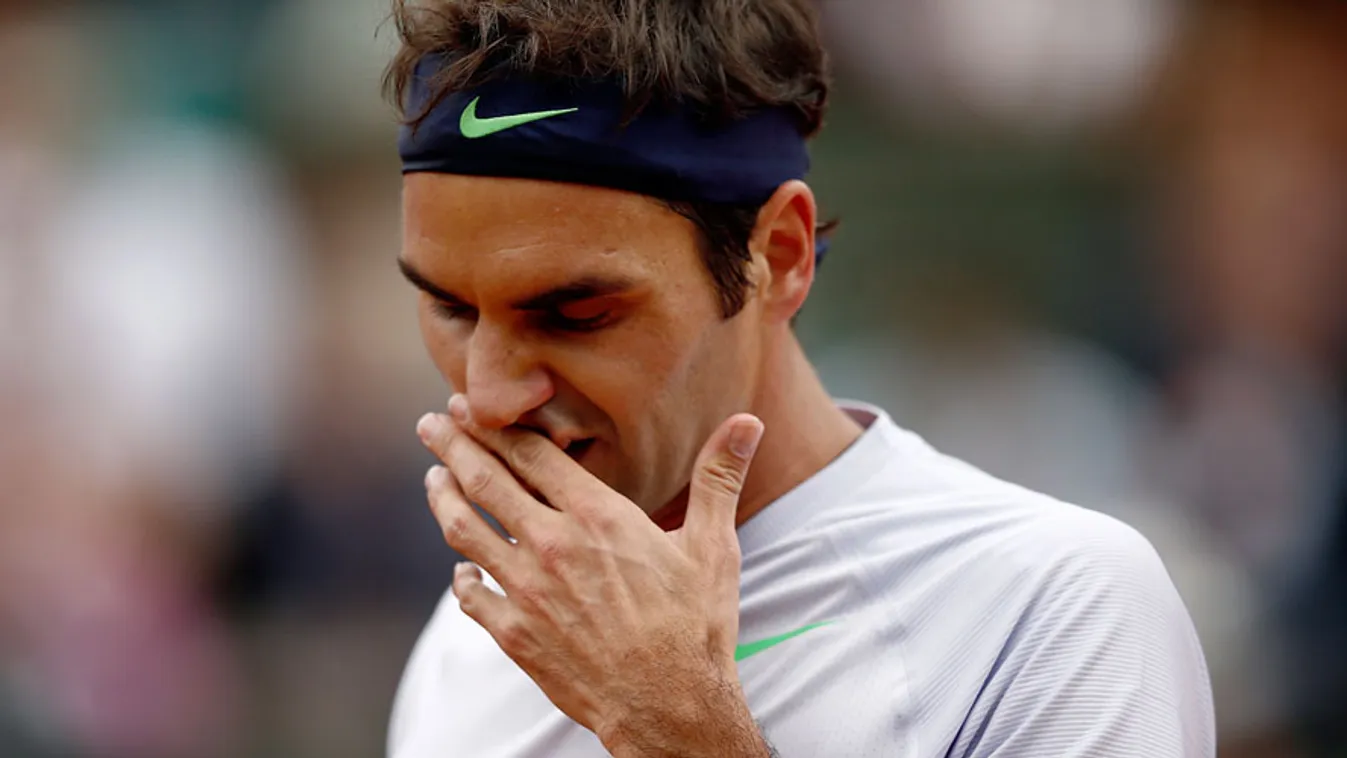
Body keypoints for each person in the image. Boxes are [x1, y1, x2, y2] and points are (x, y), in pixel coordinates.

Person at [382, 1, 1215, 756]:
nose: (487, 394)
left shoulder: (1056, 609)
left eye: (576, 314)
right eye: (450, 308)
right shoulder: (478, 627)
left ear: (775, 258)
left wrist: (682, 730)